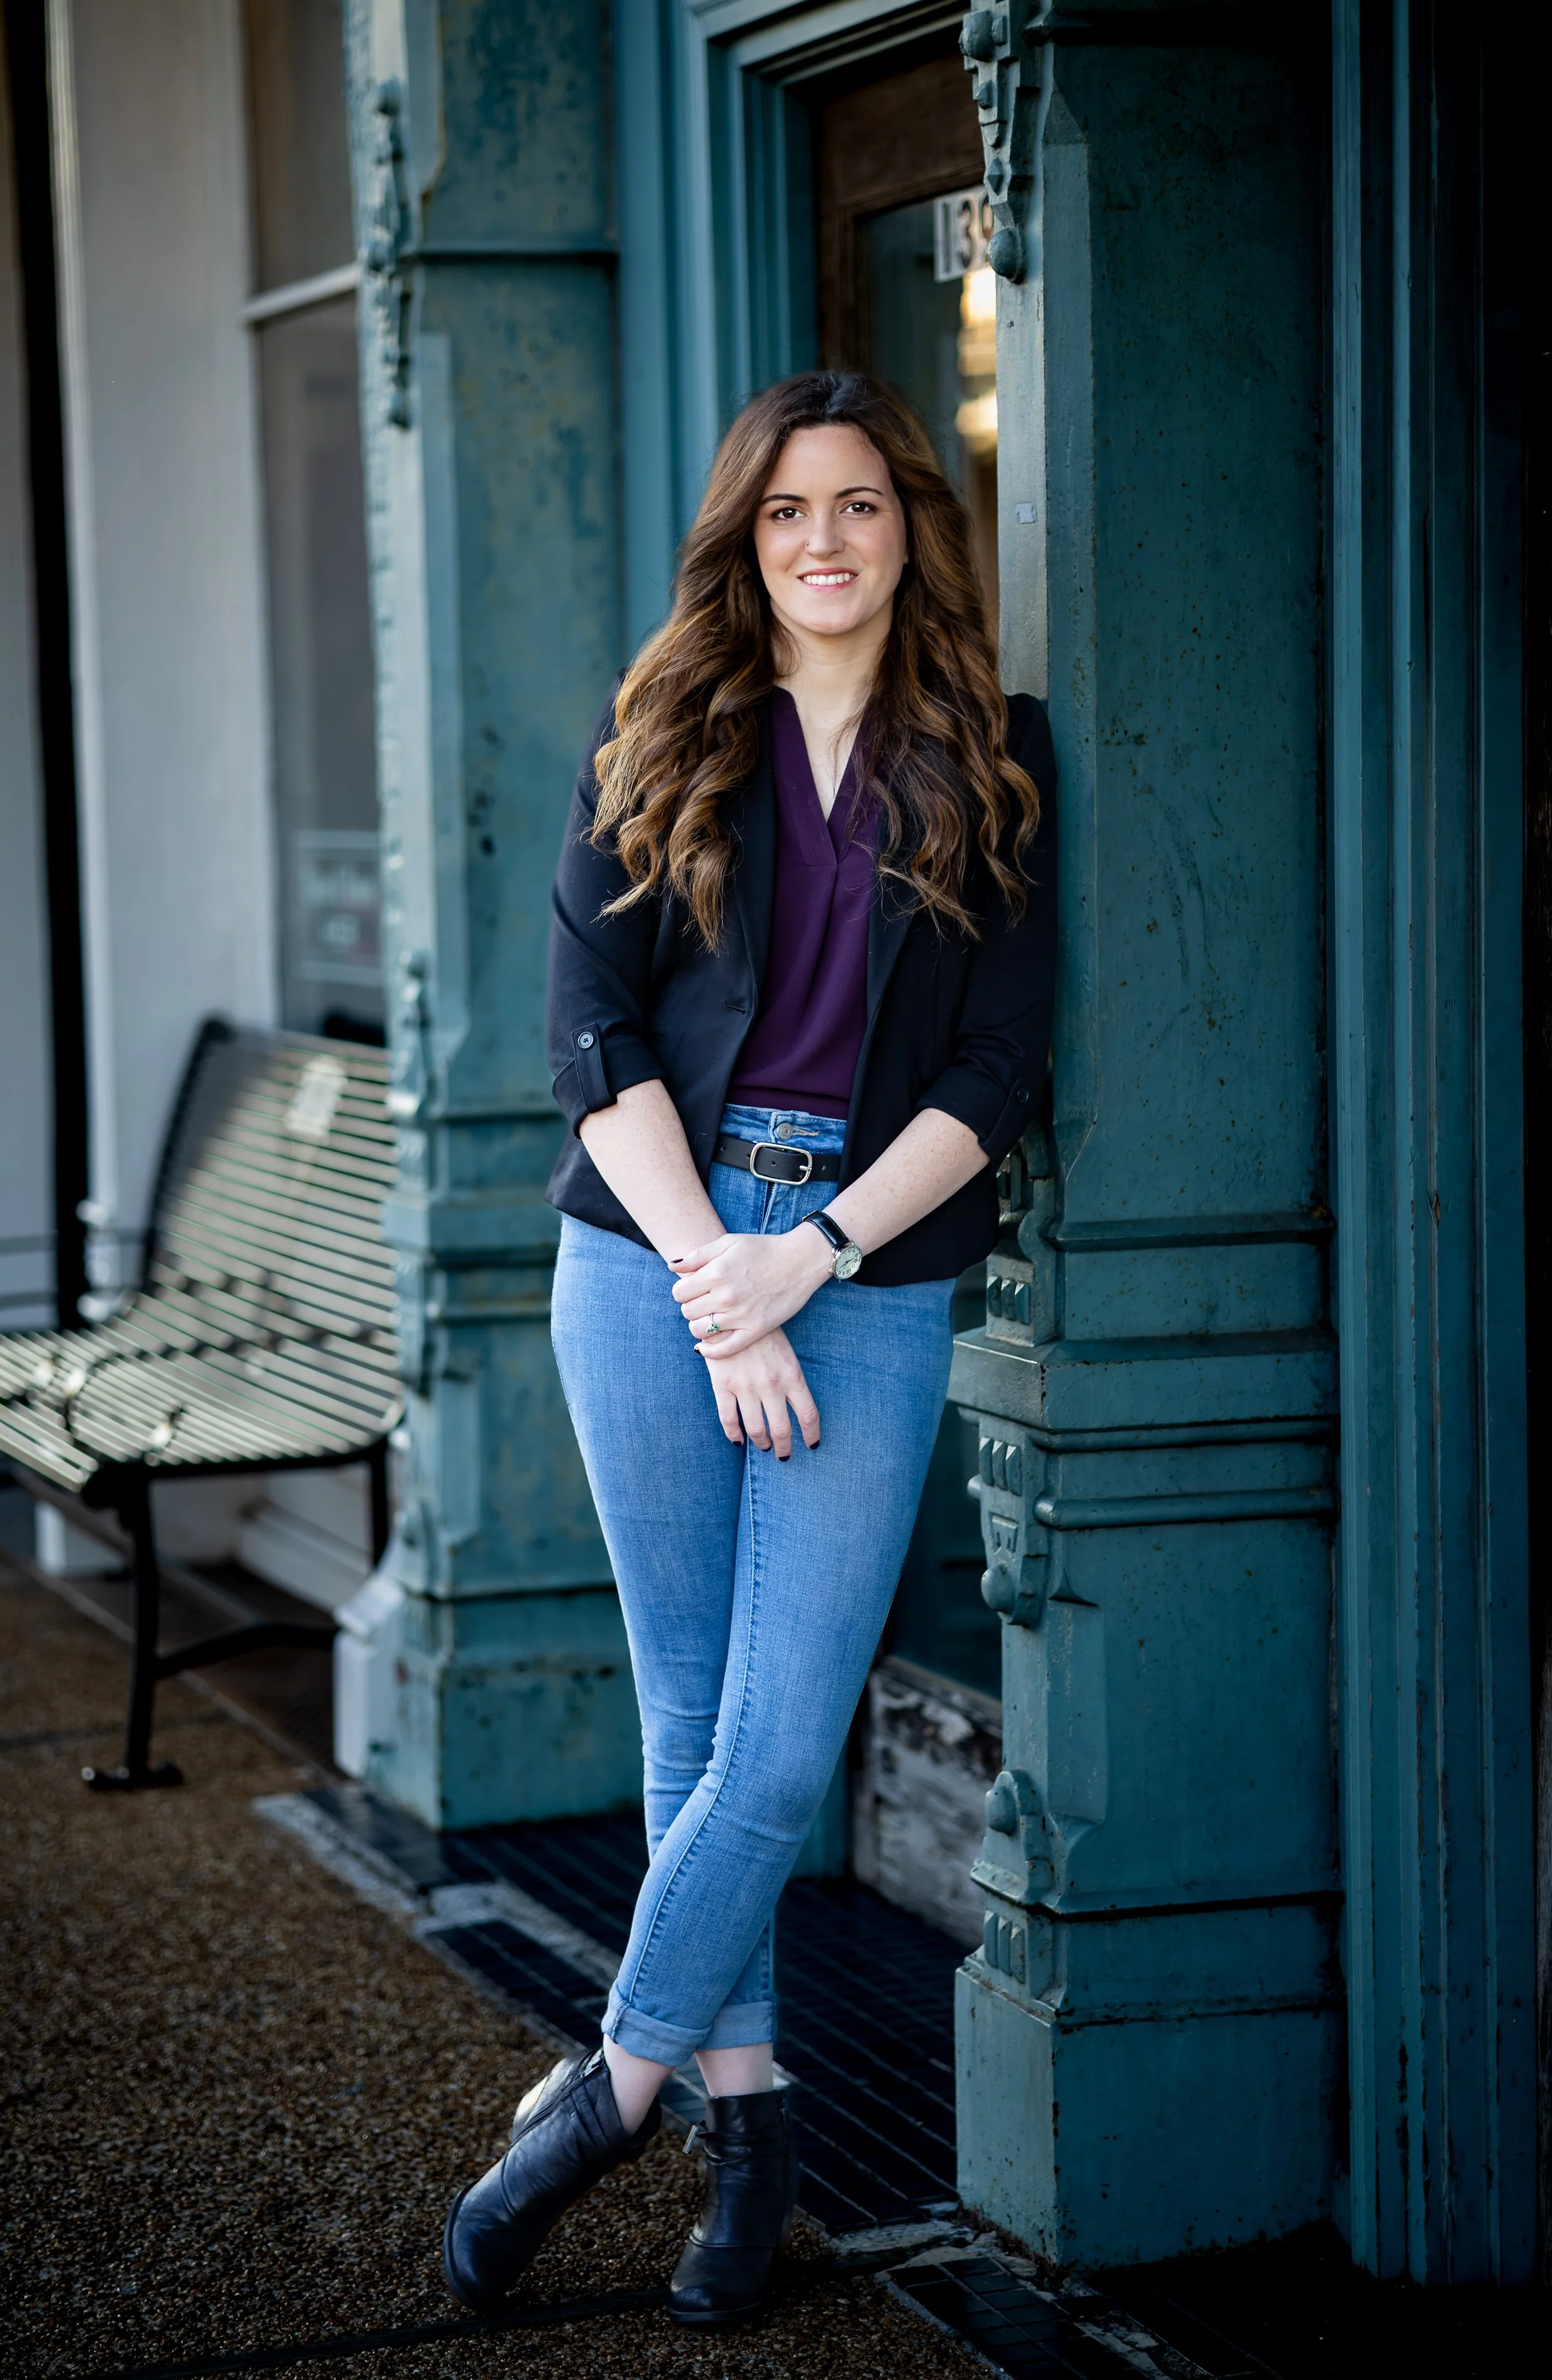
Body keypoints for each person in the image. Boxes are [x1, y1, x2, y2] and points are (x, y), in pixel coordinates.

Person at [443, 370, 1056, 2327]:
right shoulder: (656, 739)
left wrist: (810, 1260)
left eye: (860, 506)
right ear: (746, 536)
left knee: (781, 1739)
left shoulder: (996, 755)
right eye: (787, 511)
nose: (822, 541)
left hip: (860, 1282)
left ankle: (602, 2094)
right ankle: (752, 2124)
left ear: (908, 529)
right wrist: (722, 1268)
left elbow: (996, 1068)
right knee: (691, 1726)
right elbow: (590, 1037)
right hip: (648, 1263)